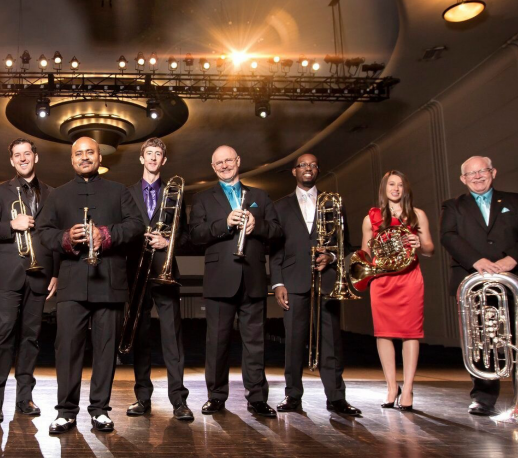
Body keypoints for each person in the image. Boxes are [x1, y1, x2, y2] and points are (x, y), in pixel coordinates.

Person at [35, 136, 144, 434]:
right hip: (71, 283)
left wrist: (106, 235)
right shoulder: (57, 195)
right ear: (72, 160)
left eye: (90, 153)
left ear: (99, 157)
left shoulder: (119, 192)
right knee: (67, 348)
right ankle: (66, 412)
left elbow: (137, 226)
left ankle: (99, 410)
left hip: (109, 281)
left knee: (106, 349)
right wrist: (65, 239)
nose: (84, 157)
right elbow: (43, 232)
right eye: (79, 154)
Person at [440, 155, 518, 416]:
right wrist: (477, 261)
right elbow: (448, 236)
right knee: (481, 339)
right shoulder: (453, 206)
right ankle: (484, 397)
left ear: (493, 172)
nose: (477, 176)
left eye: (482, 171)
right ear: (463, 179)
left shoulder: (516, 201)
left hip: (515, 279)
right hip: (474, 281)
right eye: (470, 174)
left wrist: (511, 259)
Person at [189, 145, 280, 417]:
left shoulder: (259, 196)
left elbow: (276, 232)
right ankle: (216, 396)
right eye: (219, 163)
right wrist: (225, 223)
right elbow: (195, 235)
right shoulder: (203, 198)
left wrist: (258, 225)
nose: (225, 165)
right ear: (213, 167)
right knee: (216, 342)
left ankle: (257, 398)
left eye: (229, 160)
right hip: (219, 279)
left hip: (252, 277)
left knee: (255, 342)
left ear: (238, 161)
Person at [269, 154, 362, 417]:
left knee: (331, 341)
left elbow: (346, 244)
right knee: (294, 342)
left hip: (327, 280)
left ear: (318, 170)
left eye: (312, 165)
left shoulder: (333, 203)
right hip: (294, 280)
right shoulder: (280, 206)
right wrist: (277, 282)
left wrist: (331, 257)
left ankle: (336, 397)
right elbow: (275, 249)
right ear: (294, 171)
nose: (307, 168)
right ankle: (292, 395)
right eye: (302, 165)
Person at [0, 138, 59, 421]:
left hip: (39, 276)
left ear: (36, 157)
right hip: (9, 276)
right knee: (2, 337)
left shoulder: (52, 193)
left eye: (27, 154)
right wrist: (11, 224)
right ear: (11, 161)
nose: (22, 159)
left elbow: (56, 237)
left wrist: (57, 273)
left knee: (30, 340)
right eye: (17, 155)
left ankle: (25, 398)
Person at [123, 137, 192, 421]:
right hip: (136, 271)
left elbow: (186, 235)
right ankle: (143, 398)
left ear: (164, 161)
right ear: (141, 159)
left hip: (165, 270)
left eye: (158, 154)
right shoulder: (126, 194)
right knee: (140, 337)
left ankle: (179, 400)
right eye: (148, 153)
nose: (153, 158)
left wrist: (169, 242)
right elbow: (123, 231)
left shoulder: (175, 194)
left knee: (172, 338)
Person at [359, 170, 434, 411]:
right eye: (391, 184)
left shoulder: (417, 215)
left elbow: (430, 250)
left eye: (400, 185)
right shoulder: (371, 217)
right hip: (382, 281)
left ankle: (408, 388)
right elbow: (365, 255)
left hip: (409, 279)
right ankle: (392, 387)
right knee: (384, 333)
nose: (396, 188)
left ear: (405, 189)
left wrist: (419, 244)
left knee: (411, 333)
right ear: (384, 188)